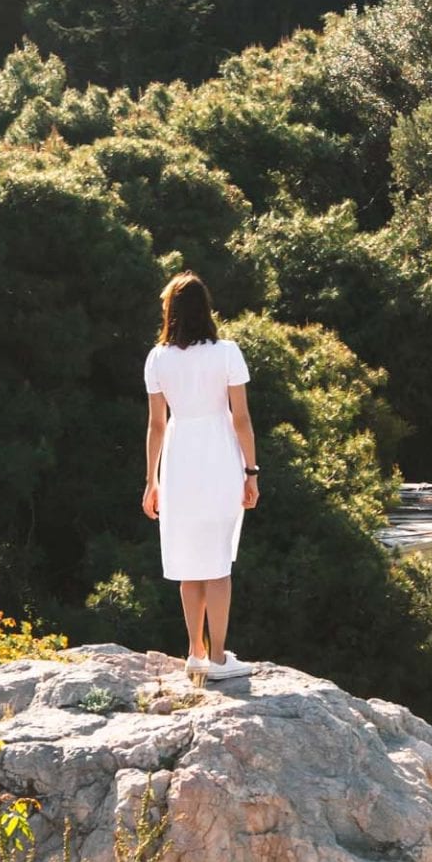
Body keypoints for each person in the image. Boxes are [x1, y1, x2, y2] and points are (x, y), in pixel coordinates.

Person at [142, 271, 258, 680]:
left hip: (178, 459)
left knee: (189, 560)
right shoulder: (227, 352)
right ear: (205, 309)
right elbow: (241, 418)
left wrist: (151, 481)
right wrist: (251, 471)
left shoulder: (157, 358)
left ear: (170, 311)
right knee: (218, 562)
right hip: (220, 455)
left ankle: (195, 651)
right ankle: (221, 657)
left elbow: (157, 425)